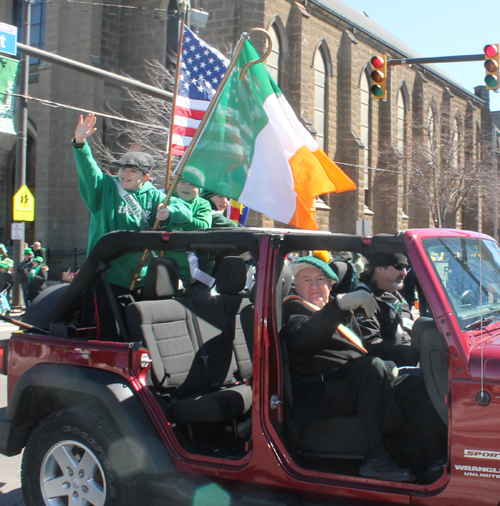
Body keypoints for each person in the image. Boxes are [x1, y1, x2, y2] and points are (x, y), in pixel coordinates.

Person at [282, 256, 415, 482]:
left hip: (347, 382)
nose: (314, 286)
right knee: (371, 369)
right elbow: (305, 338)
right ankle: (376, 460)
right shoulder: (294, 308)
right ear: (296, 285)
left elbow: (362, 347)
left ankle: (415, 449)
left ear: (331, 285)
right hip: (319, 391)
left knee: (413, 382)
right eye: (306, 280)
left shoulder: (337, 310)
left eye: (320, 280)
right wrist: (340, 304)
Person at [72, 113, 194, 339]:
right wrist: (81, 145)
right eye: (122, 168)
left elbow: (186, 211)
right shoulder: (105, 189)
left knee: (137, 335)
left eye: (132, 170)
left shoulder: (156, 197)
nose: (124, 173)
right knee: (109, 335)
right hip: (107, 279)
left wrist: (170, 213)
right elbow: (89, 172)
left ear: (146, 177)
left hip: (142, 280)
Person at [354, 252, 419, 367]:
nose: (404, 273)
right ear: (379, 269)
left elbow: (406, 328)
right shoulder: (363, 298)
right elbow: (371, 343)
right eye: (399, 267)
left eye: (406, 267)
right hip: (382, 369)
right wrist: (408, 354)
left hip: (405, 361)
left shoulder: (395, 296)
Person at [164, 165, 212, 293]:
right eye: (183, 182)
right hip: (162, 266)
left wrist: (177, 216)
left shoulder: (203, 204)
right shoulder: (165, 199)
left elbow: (203, 226)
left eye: (192, 184)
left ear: (200, 189)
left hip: (191, 271)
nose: (186, 187)